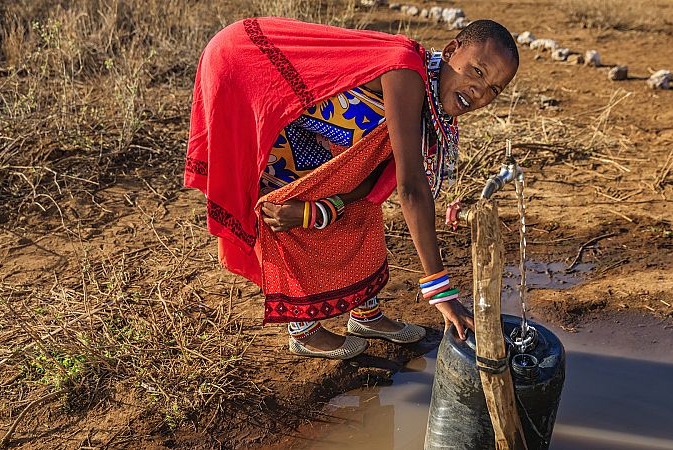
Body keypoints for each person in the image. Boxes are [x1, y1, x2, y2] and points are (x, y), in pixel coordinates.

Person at [185, 17, 518, 359]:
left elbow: (373, 180)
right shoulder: (406, 72)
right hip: (247, 63)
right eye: (477, 72)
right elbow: (411, 188)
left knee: (356, 202)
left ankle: (365, 314)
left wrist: (326, 208)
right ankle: (303, 330)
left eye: (494, 89)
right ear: (450, 52)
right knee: (287, 200)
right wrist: (440, 290)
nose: (480, 91)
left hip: (304, 120)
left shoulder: (432, 103)